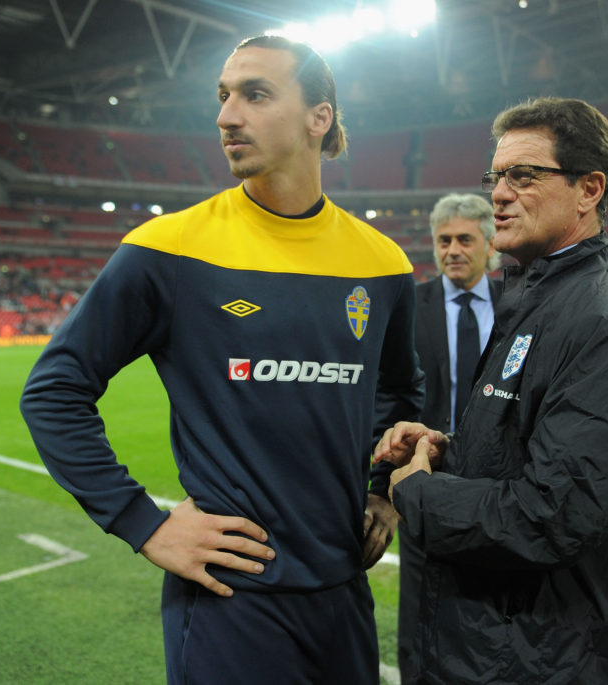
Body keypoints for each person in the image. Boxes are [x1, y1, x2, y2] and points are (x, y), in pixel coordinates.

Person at [21, 35, 423, 685]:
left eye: (255, 94)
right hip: (229, 600)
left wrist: (382, 491)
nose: (226, 115)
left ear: (319, 117)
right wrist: (143, 523)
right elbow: (54, 389)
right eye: (222, 96)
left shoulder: (384, 263)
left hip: (343, 592)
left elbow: (401, 391)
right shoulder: (168, 249)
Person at [375, 97, 608, 684]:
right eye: (497, 176)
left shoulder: (602, 327)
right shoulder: (536, 298)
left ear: (589, 189)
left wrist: (418, 492)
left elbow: (550, 516)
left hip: (555, 657)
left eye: (524, 176)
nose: (499, 193)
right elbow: (523, 450)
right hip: (512, 646)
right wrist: (446, 451)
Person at [398, 192, 503, 680]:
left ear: (490, 243)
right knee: (420, 599)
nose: (453, 249)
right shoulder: (410, 306)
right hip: (427, 471)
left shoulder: (517, 304)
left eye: (464, 238)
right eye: (443, 240)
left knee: (490, 599)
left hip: (497, 476)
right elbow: (390, 392)